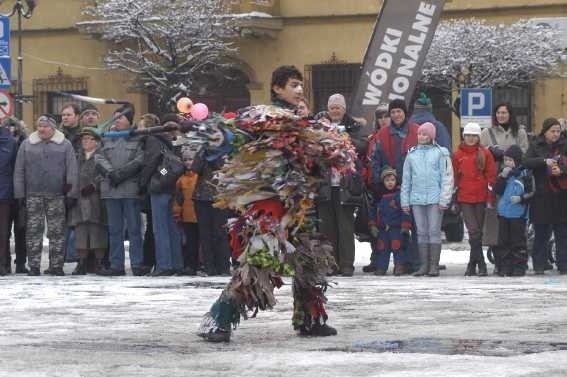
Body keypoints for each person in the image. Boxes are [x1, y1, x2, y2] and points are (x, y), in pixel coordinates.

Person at [198, 65, 339, 342]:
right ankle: (218, 321)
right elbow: (237, 136)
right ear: (277, 88)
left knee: (308, 262)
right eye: (293, 85)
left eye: (301, 85)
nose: (299, 90)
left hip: (297, 206)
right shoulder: (265, 117)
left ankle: (309, 319)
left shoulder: (301, 121)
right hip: (271, 205)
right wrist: (217, 132)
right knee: (258, 263)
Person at [13, 115, 79, 276]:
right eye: (39, 126)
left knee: (57, 232)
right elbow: (19, 171)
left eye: (45, 126)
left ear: (53, 128)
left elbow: (72, 170)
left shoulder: (65, 145)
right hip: (32, 195)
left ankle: (56, 266)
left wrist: (71, 193)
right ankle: (34, 266)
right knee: (33, 232)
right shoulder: (27, 145)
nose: (41, 129)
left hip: (56, 195)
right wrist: (20, 194)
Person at [95, 104, 146, 276]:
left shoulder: (136, 138)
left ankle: (137, 264)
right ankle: (116, 265)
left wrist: (123, 173)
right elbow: (99, 156)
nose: (117, 121)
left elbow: (140, 159)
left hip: (129, 189)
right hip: (111, 189)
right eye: (115, 117)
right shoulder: (107, 137)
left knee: (134, 229)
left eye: (120, 118)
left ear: (129, 121)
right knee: (114, 230)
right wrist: (111, 173)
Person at [371, 99, 420, 273]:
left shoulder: (415, 131)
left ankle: (413, 262)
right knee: (394, 227)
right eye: (393, 112)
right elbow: (375, 159)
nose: (396, 115)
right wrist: (378, 182)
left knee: (412, 225)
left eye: (399, 111)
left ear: (405, 113)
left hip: (413, 185)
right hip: (389, 186)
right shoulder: (383, 134)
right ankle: (395, 262)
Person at [401, 122, 453, 277]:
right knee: (421, 232)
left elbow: (447, 177)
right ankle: (423, 265)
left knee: (434, 231)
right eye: (419, 134)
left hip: (435, 199)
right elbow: (406, 179)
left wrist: (445, 198)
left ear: (431, 136)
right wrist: (405, 200)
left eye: (425, 134)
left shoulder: (441, 153)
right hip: (416, 199)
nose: (421, 136)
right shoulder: (412, 154)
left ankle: (433, 266)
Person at [138, 115, 183, 276]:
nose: (138, 129)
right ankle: (177, 262)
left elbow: (151, 163)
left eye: (141, 126)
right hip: (169, 185)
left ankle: (164, 265)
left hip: (158, 186)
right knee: (170, 226)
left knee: (160, 228)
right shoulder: (165, 140)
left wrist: (143, 183)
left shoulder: (151, 140)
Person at [523, 118, 567, 275]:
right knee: (541, 232)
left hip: (561, 196)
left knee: (562, 232)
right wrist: (543, 161)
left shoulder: (565, 144)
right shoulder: (536, 145)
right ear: (545, 131)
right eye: (552, 131)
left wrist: (561, 170)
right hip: (542, 195)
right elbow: (526, 161)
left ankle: (564, 265)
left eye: (558, 131)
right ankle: (539, 264)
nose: (555, 134)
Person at [452, 122, 496, 277]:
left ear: (478, 137)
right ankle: (481, 263)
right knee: (474, 231)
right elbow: (455, 178)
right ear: (464, 136)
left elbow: (491, 177)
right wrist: (455, 198)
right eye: (468, 135)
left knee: (477, 233)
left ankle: (472, 264)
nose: (471, 138)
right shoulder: (457, 155)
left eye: (474, 136)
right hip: (465, 198)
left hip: (481, 197)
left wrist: (490, 197)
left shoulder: (485, 153)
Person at [67, 129, 108, 275]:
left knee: (98, 232)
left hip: (96, 200)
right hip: (79, 200)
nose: (85, 141)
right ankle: (81, 263)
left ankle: (99, 263)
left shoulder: (102, 156)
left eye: (89, 139)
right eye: (83, 139)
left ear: (96, 141)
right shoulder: (77, 157)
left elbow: (107, 174)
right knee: (81, 233)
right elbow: (70, 173)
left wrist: (95, 186)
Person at [492, 145, 535, 277]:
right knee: (503, 241)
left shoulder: (525, 174)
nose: (508, 163)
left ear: (517, 160)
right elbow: (497, 190)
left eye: (510, 160)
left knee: (518, 241)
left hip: (518, 214)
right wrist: (502, 178)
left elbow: (532, 192)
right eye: (506, 160)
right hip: (504, 213)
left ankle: (519, 266)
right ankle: (505, 267)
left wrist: (521, 198)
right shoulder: (504, 174)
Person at [368, 167, 412, 275]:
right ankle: (381, 267)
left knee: (398, 247)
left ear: (396, 181)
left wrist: (405, 225)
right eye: (387, 180)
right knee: (382, 247)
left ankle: (400, 266)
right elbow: (373, 212)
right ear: (383, 182)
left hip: (396, 228)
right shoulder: (379, 197)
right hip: (383, 229)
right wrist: (373, 225)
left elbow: (405, 211)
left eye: (392, 180)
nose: (390, 183)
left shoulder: (399, 195)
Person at [3, 117, 27, 274]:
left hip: (21, 193)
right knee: (3, 232)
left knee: (21, 230)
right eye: (7, 126)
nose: (11, 128)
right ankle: (5, 262)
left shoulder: (25, 143)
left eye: (13, 126)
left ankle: (20, 263)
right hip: (5, 193)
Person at [172, 149, 200, 276]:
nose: (188, 162)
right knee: (190, 242)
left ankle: (202, 264)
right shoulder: (180, 179)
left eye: (191, 159)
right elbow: (178, 199)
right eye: (186, 160)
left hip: (200, 215)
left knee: (201, 241)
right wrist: (177, 212)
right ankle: (191, 265)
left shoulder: (199, 177)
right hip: (187, 216)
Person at [0, 122, 17, 275]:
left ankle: (3, 264)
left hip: (3, 193)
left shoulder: (10, 141)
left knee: (3, 232)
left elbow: (15, 168)